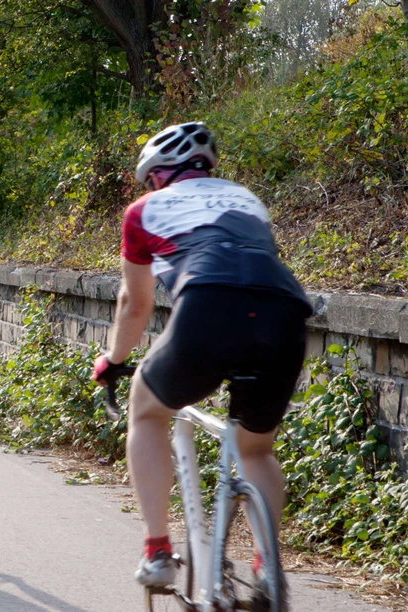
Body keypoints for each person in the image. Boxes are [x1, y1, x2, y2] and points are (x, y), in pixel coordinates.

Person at [91, 122, 314, 587]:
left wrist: (114, 360)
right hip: (285, 312)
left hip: (210, 309)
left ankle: (157, 552)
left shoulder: (144, 210)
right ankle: (268, 565)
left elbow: (136, 304)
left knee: (147, 411)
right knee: (257, 449)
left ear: (158, 174)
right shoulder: (248, 200)